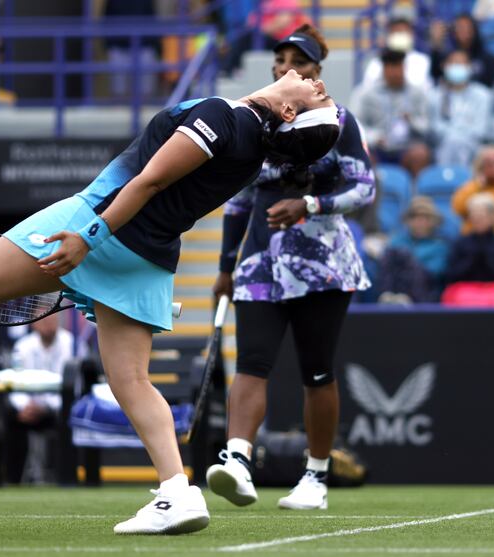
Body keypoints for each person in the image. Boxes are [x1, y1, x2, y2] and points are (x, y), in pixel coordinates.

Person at [0, 70, 340, 535]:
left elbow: (150, 179)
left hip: (97, 223)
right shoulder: (251, 145)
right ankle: (178, 492)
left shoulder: (226, 119)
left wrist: (87, 237)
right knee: (132, 382)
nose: (316, 81)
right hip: (150, 259)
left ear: (290, 115)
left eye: (320, 94)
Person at [206, 24, 374, 512]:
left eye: (298, 62)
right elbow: (238, 203)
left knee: (316, 371)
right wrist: (223, 266)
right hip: (260, 263)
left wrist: (308, 205)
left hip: (323, 266)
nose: (286, 69)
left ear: (316, 73)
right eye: (280, 62)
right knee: (252, 362)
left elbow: (364, 189)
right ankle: (237, 461)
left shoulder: (339, 122)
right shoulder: (255, 126)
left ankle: (315, 478)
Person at [5, 313, 73, 484]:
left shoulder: (70, 343)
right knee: (8, 417)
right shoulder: (23, 346)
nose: (47, 323)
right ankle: (12, 480)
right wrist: (24, 406)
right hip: (28, 410)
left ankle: (65, 480)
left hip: (59, 408)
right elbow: (15, 382)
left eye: (51, 319)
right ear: (34, 323)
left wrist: (46, 407)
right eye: (42, 319)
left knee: (67, 417)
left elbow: (71, 385)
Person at [350, 48, 431, 178]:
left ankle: (417, 196)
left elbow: (426, 127)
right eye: (391, 67)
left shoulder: (417, 93)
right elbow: (355, 126)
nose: (395, 72)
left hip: (406, 148)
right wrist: (375, 137)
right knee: (360, 154)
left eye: (398, 66)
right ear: (384, 69)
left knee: (420, 154)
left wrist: (411, 121)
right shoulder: (366, 94)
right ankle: (367, 195)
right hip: (378, 148)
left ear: (404, 68)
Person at [378, 196, 450, 303]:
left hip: (423, 293)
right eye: (415, 217)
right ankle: (387, 296)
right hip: (395, 287)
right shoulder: (397, 240)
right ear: (408, 221)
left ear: (433, 221)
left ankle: (405, 300)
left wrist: (409, 261)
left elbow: (434, 272)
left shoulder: (440, 246)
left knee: (410, 264)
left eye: (425, 218)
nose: (420, 222)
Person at [428, 49, 493, 166]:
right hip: (443, 145)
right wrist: (454, 137)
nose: (457, 67)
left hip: (474, 146)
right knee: (449, 145)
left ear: (470, 67)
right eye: (454, 64)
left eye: (461, 64)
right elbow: (435, 127)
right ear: (444, 66)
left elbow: (481, 129)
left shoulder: (482, 94)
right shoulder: (435, 95)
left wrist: (459, 138)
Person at [445, 193, 494, 284]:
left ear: (493, 217)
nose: (478, 220)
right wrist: (471, 259)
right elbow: (450, 276)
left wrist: (489, 259)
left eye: (482, 216)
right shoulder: (460, 243)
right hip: (465, 289)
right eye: (474, 216)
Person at [362, 16, 432, 90]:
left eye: (403, 32)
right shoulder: (377, 62)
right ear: (389, 35)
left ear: (411, 35)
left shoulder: (422, 61)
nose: (400, 35)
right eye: (397, 32)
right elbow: (368, 88)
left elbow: (426, 90)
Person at [429, 14, 494, 86]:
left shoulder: (485, 57)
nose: (463, 31)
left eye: (467, 27)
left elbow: (489, 82)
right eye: (460, 27)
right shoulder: (447, 55)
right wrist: (436, 44)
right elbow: (435, 75)